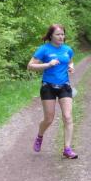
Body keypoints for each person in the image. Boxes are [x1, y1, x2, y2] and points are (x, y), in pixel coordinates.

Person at [27, 24, 78, 159]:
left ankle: (67, 149)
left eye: (63, 34)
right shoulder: (44, 49)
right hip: (48, 86)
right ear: (51, 36)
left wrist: (71, 67)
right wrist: (48, 64)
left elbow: (70, 62)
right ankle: (40, 136)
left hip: (64, 86)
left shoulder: (67, 49)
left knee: (67, 116)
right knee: (49, 119)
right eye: (58, 34)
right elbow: (30, 66)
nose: (61, 37)